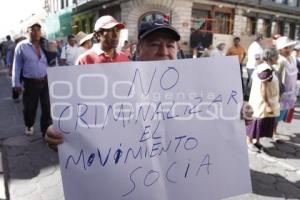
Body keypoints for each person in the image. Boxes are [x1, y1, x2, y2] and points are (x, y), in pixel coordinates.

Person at [45, 19, 253, 150]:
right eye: (154, 44)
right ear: (138, 50)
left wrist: (236, 113)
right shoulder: (115, 84)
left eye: (170, 45)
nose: (164, 51)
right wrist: (60, 136)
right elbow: (83, 129)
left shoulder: (195, 85)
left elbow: (215, 121)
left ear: (177, 50)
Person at [12, 22, 52, 136]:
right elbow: (17, 66)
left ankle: (46, 131)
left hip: (45, 81)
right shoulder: (21, 46)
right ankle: (29, 124)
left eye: (38, 29)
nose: (36, 32)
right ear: (27, 32)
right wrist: (16, 84)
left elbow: (53, 61)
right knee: (29, 108)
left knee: (47, 108)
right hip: (30, 83)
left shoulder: (45, 44)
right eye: (32, 30)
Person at [246, 48, 280, 152]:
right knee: (257, 121)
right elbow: (263, 88)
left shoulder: (266, 67)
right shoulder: (265, 69)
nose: (277, 58)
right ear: (272, 57)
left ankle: (257, 141)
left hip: (264, 101)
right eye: (276, 56)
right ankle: (249, 142)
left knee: (262, 121)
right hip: (260, 102)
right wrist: (267, 104)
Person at [273, 36, 298, 137]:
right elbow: (277, 78)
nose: (288, 50)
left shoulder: (292, 58)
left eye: (289, 47)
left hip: (290, 93)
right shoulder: (280, 61)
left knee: (282, 114)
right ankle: (273, 132)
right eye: (286, 48)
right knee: (276, 114)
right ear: (280, 49)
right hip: (281, 93)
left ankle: (275, 130)